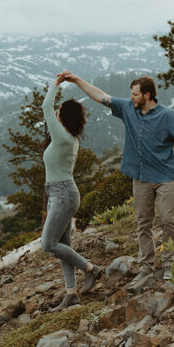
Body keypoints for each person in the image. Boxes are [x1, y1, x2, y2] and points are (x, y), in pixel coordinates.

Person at [57, 71, 174, 290]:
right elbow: (100, 96)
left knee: (167, 222)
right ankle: (146, 268)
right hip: (141, 178)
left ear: (148, 95)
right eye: (130, 94)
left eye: (135, 94)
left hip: (165, 178)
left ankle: (169, 264)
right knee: (143, 223)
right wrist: (77, 80)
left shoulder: (168, 116)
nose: (131, 97)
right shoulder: (128, 108)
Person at [41, 75, 102, 310]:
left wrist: (55, 84)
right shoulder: (68, 138)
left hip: (63, 194)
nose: (55, 114)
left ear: (63, 117)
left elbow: (46, 106)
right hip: (60, 194)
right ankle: (71, 293)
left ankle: (91, 269)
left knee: (48, 244)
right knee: (62, 246)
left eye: (59, 112)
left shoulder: (63, 138)